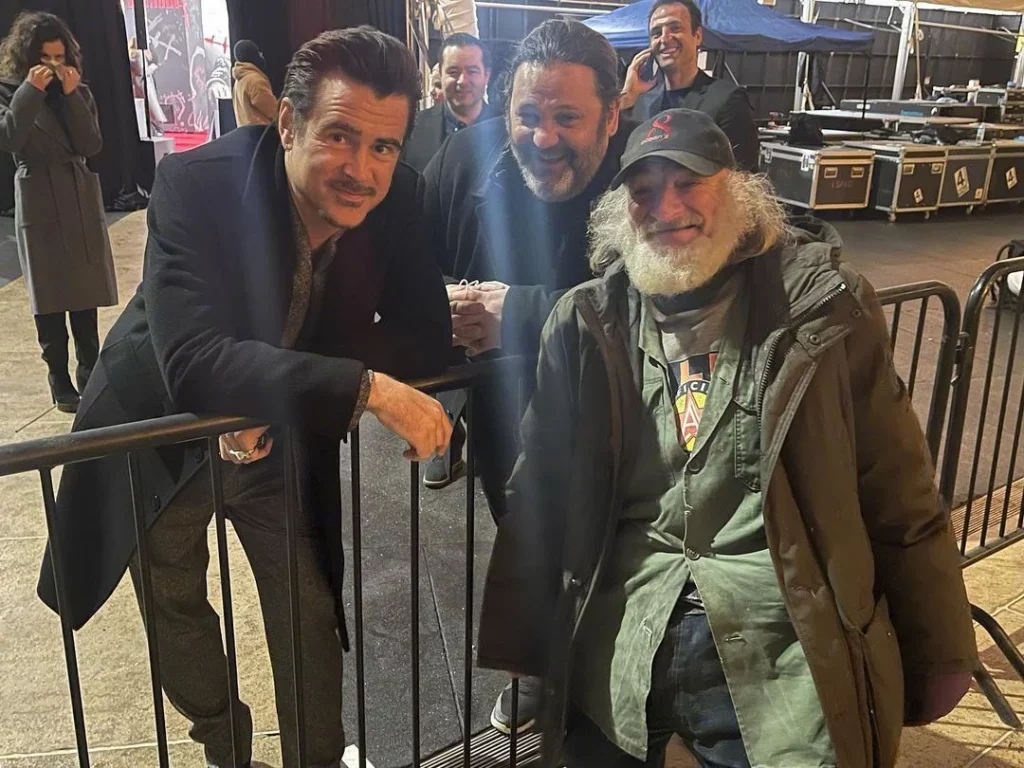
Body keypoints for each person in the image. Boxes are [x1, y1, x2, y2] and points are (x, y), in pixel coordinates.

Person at [477, 109, 978, 768]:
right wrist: (525, 650)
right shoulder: (585, 322)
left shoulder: (824, 311)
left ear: (738, 191)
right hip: (626, 633)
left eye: (688, 182)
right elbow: (537, 494)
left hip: (784, 647)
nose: (666, 207)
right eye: (644, 191)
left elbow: (896, 486)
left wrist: (940, 649)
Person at [35, 27, 452, 768]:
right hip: (158, 429)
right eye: (340, 136)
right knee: (174, 610)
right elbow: (193, 360)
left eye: (383, 146)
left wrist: (301, 384)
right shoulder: (198, 183)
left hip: (281, 438)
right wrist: (362, 385)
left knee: (308, 612)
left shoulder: (401, 197)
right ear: (287, 123)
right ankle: (225, 747)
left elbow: (423, 336)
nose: (362, 169)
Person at [420, 18, 635, 735]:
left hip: (622, 420)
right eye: (528, 115)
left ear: (611, 116)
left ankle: (611, 674)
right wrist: (439, 305)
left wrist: (522, 312)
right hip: (509, 417)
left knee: (619, 549)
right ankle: (537, 670)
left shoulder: (649, 176)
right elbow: (411, 263)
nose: (543, 138)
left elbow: (668, 304)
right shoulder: (466, 159)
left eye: (566, 118)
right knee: (524, 536)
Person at [0, 11, 117, 413]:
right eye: (45, 57)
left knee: (84, 289)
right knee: (49, 293)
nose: (53, 65)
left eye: (59, 56)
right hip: (37, 193)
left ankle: (90, 368)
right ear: (28, 56)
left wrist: (70, 96)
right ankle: (58, 375)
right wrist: (29, 92)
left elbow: (91, 143)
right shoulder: (8, 90)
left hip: (76, 190)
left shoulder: (76, 90)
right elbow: (10, 138)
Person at [619, 0, 760, 172]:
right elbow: (619, 163)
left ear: (697, 36)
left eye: (675, 28)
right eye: (656, 33)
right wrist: (627, 96)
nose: (664, 38)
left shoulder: (726, 99)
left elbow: (743, 178)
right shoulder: (641, 102)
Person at [401, 33, 494, 172]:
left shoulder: (507, 131)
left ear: (487, 75)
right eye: (453, 72)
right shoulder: (412, 128)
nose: (462, 81)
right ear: (440, 73)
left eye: (472, 71)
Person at [232, 39, 277, 127]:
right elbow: (273, 111)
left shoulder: (240, 79)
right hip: (262, 135)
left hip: (248, 135)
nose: (261, 55)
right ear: (252, 56)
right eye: (258, 52)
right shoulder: (255, 80)